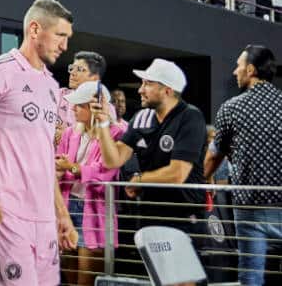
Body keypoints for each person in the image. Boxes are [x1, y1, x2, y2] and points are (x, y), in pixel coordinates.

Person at [0, 0, 78, 286]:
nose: (65, 46)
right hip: (5, 211)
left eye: (67, 38)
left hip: (44, 217)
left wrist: (61, 214)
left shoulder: (51, 85)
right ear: (34, 29)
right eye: (60, 36)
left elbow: (45, 156)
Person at [92, 59, 208, 241]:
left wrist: (140, 180)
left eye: (147, 84)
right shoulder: (141, 117)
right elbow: (112, 161)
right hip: (149, 215)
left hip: (184, 217)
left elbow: (178, 174)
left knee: (181, 271)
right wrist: (103, 123)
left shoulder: (190, 116)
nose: (140, 89)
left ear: (167, 91)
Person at [204, 45, 282, 286]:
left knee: (250, 276)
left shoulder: (231, 108)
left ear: (250, 69)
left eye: (238, 65)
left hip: (249, 207)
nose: (235, 71)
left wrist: (204, 178)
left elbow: (214, 155)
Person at [57, 82, 123, 286]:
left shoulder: (115, 133)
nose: (73, 109)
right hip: (67, 209)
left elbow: (105, 173)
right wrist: (59, 168)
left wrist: (72, 167)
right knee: (68, 277)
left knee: (86, 280)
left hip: (95, 212)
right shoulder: (70, 133)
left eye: (79, 105)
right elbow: (58, 162)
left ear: (94, 108)